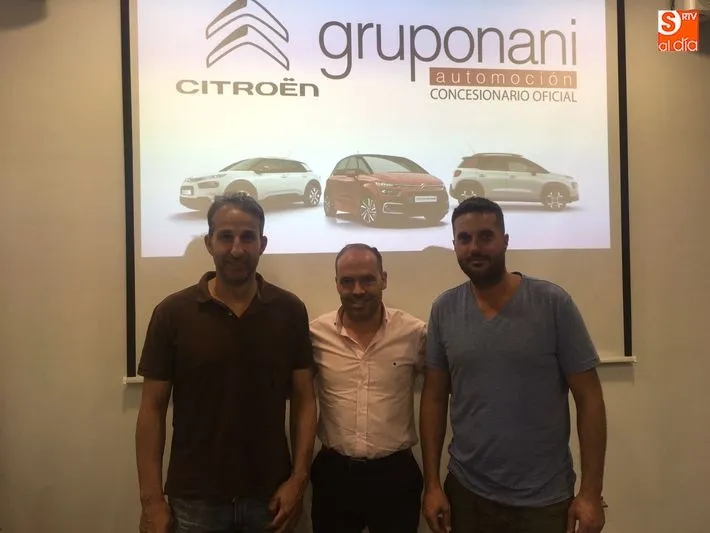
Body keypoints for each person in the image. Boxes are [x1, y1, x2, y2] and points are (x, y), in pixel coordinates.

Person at [420, 197, 607, 533]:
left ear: (505, 240)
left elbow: (589, 398)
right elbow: (433, 398)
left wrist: (591, 493)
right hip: (467, 494)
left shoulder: (553, 303)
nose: (475, 248)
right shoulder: (444, 309)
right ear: (455, 245)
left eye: (486, 236)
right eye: (464, 238)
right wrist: (432, 484)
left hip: (544, 500)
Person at [134, 193, 317, 533]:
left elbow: (305, 400)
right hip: (194, 500)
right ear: (209, 243)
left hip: (271, 497)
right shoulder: (172, 313)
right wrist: (152, 501)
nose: (236, 249)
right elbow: (151, 410)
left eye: (247, 237)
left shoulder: (290, 310)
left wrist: (298, 479)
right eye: (225, 237)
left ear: (262, 244)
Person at [309, 243, 427, 533]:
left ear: (383, 279)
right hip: (334, 474)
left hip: (395, 476)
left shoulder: (414, 333)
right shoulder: (315, 334)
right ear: (337, 283)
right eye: (347, 281)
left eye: (367, 280)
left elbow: (440, 389)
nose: (358, 290)